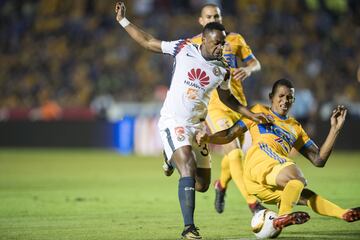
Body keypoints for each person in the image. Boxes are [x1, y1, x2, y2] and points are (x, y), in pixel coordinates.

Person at [114, 2, 271, 239]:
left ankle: (170, 157)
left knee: (201, 184)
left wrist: (251, 115)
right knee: (186, 164)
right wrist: (123, 21)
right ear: (205, 41)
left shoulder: (222, 71)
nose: (222, 47)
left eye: (223, 42)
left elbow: (229, 100)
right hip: (173, 121)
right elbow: (148, 42)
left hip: (198, 126)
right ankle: (189, 228)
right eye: (217, 43)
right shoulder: (184, 47)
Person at [196, 78, 360, 231]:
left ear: (293, 100)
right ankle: (282, 216)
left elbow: (319, 160)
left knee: (304, 193)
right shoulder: (258, 111)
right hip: (258, 165)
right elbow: (230, 134)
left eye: (289, 97)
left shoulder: (295, 127)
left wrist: (335, 129)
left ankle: (343, 214)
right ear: (271, 97)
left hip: (265, 186)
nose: (285, 100)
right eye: (281, 96)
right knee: (297, 177)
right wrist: (208, 138)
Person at [164, 3, 265, 215]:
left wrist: (247, 69)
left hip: (237, 103)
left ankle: (221, 185)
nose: (212, 18)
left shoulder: (234, 39)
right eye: (208, 16)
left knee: (233, 155)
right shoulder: (192, 44)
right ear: (201, 21)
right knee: (236, 154)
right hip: (214, 106)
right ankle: (253, 205)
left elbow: (255, 63)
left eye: (216, 15)